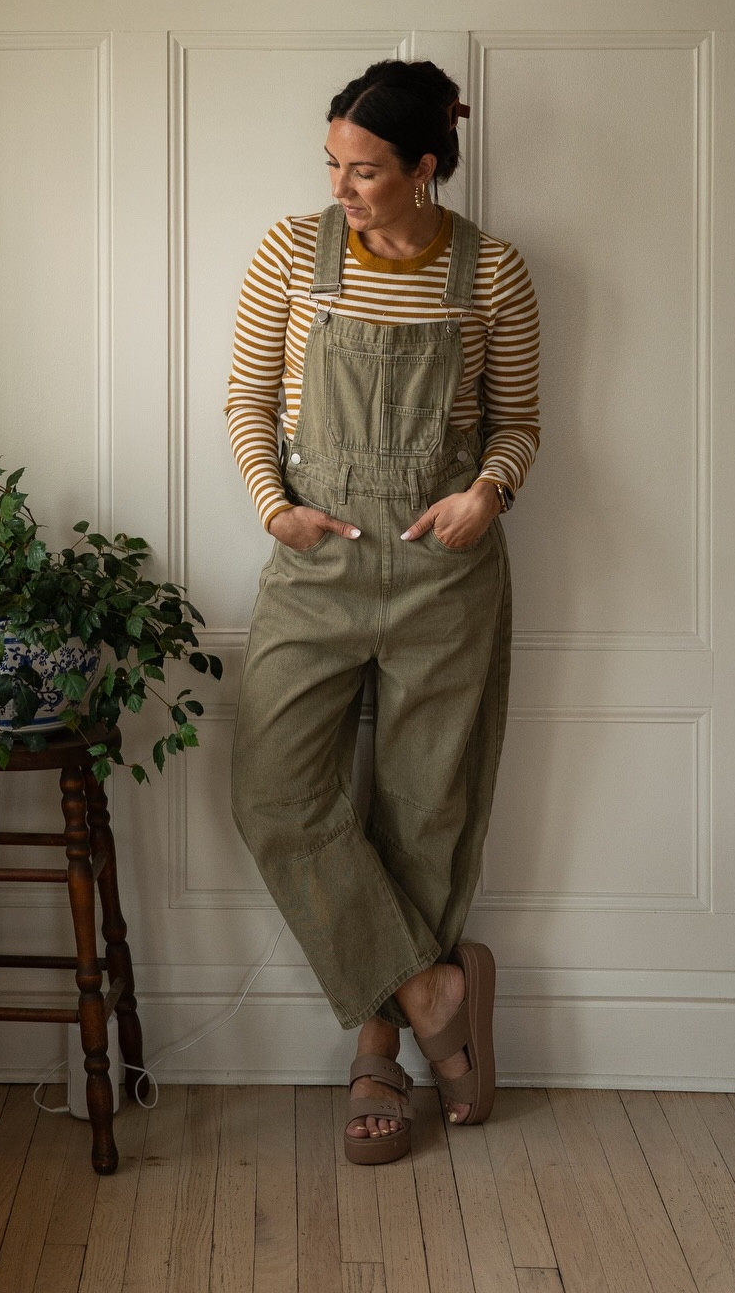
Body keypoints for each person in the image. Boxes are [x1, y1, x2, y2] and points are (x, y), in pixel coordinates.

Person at [225, 58, 540, 1165]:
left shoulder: (492, 271)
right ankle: (432, 991)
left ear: (424, 167)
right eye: (332, 165)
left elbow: (518, 422)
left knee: (426, 809)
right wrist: (276, 509)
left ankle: (377, 1055)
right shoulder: (290, 253)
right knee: (271, 790)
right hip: (317, 563)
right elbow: (247, 397)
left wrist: (486, 494)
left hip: (445, 572)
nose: (341, 188)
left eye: (364, 170)